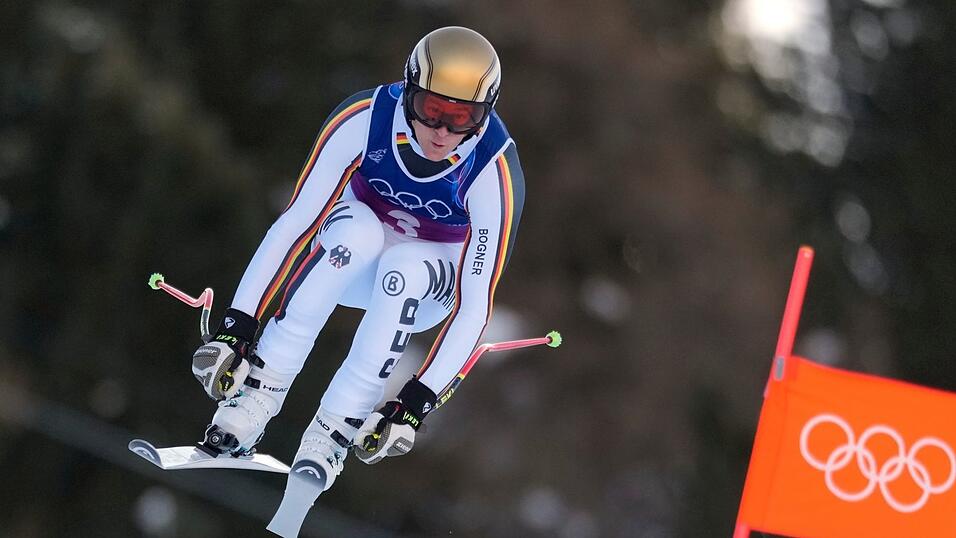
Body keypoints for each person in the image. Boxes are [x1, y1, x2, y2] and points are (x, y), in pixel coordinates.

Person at [189, 26, 524, 529]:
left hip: (425, 279)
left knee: (405, 268)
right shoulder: (365, 118)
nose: (442, 132)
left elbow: (475, 305)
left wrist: (416, 402)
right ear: (408, 87)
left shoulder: (492, 170)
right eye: (432, 109)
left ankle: (332, 434)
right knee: (359, 235)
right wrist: (238, 323)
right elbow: (296, 224)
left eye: (462, 118)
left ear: (486, 112)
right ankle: (255, 395)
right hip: (349, 253)